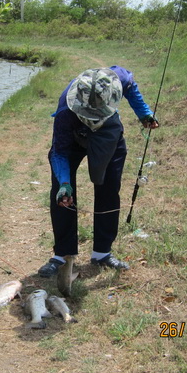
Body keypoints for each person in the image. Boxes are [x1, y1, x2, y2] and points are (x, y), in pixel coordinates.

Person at [38, 66, 160, 277]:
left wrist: (144, 113)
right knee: (61, 192)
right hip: (74, 137)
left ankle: (102, 253)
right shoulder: (66, 111)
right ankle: (62, 255)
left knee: (109, 188)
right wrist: (65, 183)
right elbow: (59, 152)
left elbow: (131, 87)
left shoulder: (118, 78)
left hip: (108, 134)